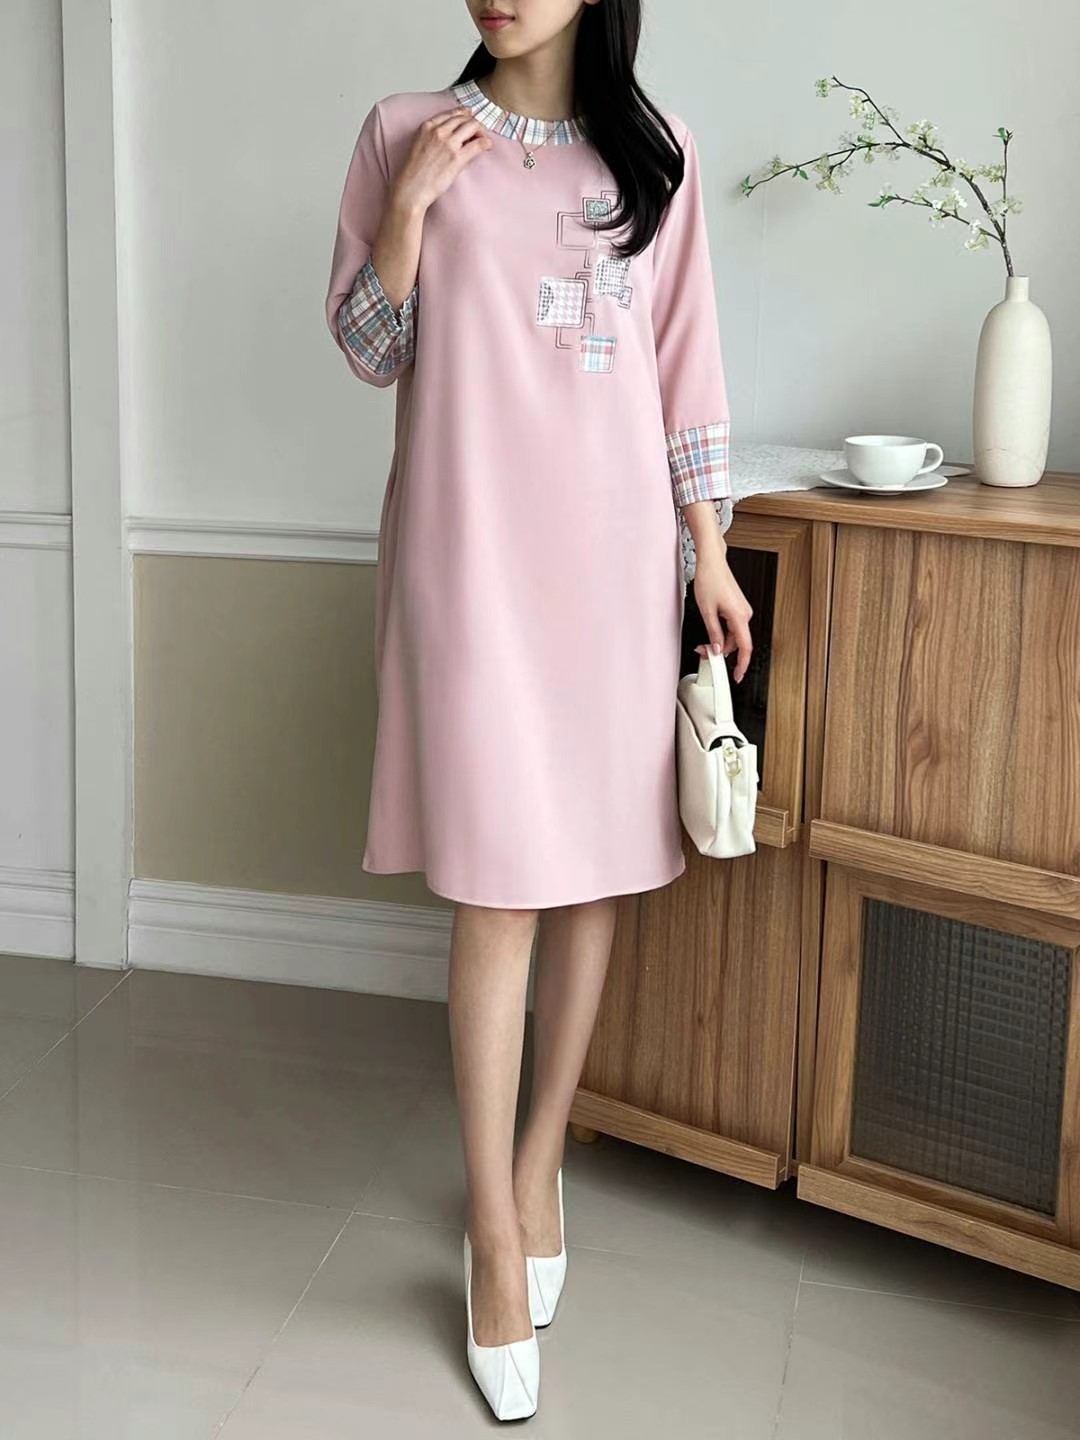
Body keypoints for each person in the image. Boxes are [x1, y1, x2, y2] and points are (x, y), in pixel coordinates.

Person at [324, 0, 752, 1420]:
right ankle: (494, 1236)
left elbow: (685, 367)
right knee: (499, 887)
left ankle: (539, 1158)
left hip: (612, 567)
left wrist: (708, 557)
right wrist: (409, 211)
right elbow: (369, 349)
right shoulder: (405, 132)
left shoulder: (659, 154)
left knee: (591, 881)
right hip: (468, 565)